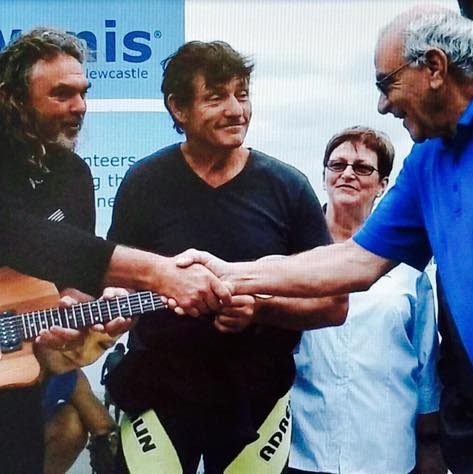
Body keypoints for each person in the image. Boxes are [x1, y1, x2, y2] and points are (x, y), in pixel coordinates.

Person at [178, 7, 473, 474]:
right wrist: (230, 274)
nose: (383, 105)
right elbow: (353, 262)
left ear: (435, 68)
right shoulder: (427, 160)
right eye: (337, 166)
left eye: (387, 83)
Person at [105, 40, 346, 473]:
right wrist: (113, 301)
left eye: (243, 94)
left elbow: (334, 304)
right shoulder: (144, 182)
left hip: (256, 400)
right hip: (158, 395)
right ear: (178, 108)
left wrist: (260, 310)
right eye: (216, 97)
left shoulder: (288, 187)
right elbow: (115, 279)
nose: (237, 110)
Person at [0, 28, 227, 473]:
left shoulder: (73, 174)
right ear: (13, 98)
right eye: (61, 94)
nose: (79, 107)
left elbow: (71, 283)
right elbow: (19, 235)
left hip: (18, 391)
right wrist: (159, 272)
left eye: (83, 93)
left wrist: (89, 314)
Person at [288, 126, 444, 474]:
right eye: (337, 165)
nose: (347, 174)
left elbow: (426, 366)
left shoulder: (408, 268)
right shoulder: (291, 258)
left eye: (362, 168)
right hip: (302, 452)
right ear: (324, 176)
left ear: (383, 184)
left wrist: (431, 450)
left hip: (386, 455)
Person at [39, 330, 121, 474]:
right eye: (73, 331)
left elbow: (104, 428)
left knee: (71, 423)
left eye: (102, 345)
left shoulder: (70, 377)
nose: (81, 351)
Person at [101, 342, 126, 422]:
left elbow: (104, 367)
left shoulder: (110, 355)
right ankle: (116, 422)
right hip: (118, 383)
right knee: (117, 404)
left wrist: (102, 378)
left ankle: (105, 420)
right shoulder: (124, 357)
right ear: (123, 349)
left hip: (109, 380)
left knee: (107, 402)